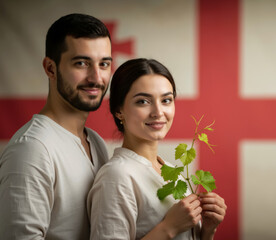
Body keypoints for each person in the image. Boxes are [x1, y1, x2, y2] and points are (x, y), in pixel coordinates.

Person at [87, 58, 227, 240]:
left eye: (166, 100)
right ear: (119, 110)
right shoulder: (117, 176)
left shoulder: (171, 172)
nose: (158, 112)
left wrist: (207, 230)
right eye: (143, 101)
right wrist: (168, 228)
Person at [0, 13, 112, 239]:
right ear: (50, 68)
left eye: (104, 64)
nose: (96, 77)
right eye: (81, 63)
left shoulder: (96, 141)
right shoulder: (32, 148)